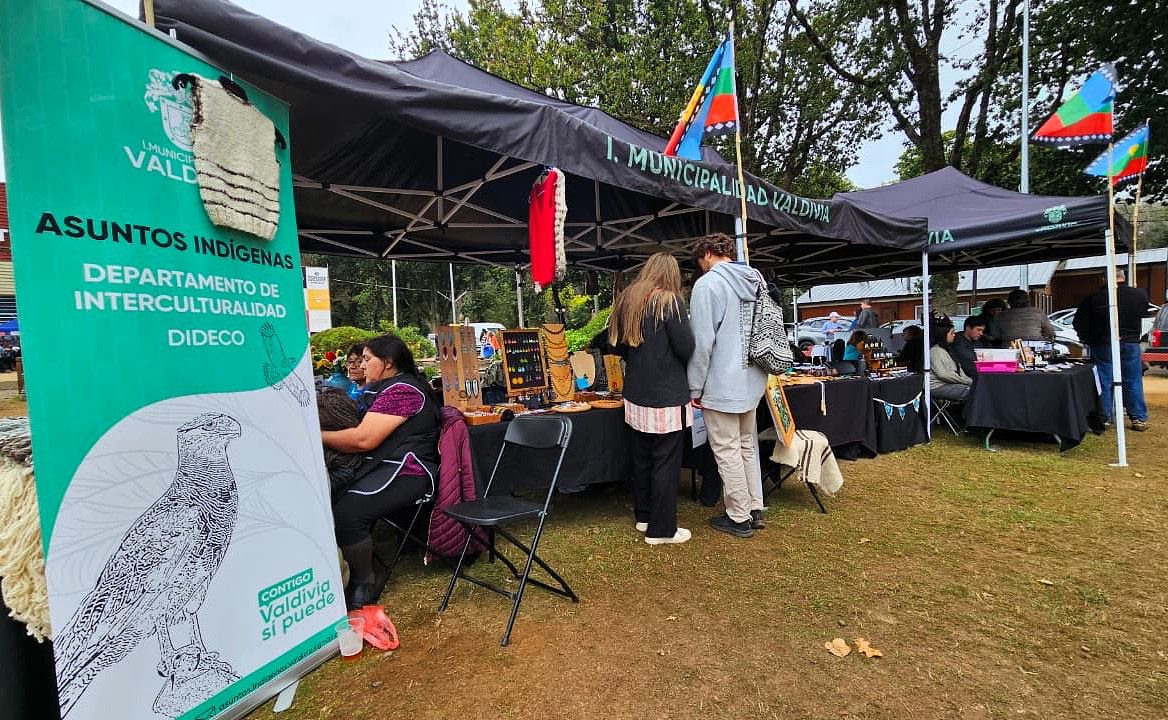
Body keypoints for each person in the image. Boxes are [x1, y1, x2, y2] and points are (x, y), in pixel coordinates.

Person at [323, 334, 441, 609]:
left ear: (387, 362)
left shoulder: (403, 391)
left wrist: (316, 436)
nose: (362, 365)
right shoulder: (385, 388)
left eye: (367, 359)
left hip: (410, 470)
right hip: (386, 464)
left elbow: (363, 440)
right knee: (333, 494)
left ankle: (364, 581)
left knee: (347, 512)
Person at [608, 252, 695, 545]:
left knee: (642, 458)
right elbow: (686, 347)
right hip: (666, 394)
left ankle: (644, 516)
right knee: (665, 462)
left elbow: (616, 345)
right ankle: (661, 530)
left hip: (636, 392)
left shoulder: (628, 299)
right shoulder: (670, 301)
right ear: (671, 274)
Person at [687, 233, 767, 539]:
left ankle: (738, 516)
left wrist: (694, 388)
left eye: (700, 260)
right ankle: (754, 508)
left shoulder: (708, 284)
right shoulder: (756, 279)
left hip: (722, 383)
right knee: (746, 445)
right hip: (752, 380)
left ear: (708, 253)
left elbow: (702, 343)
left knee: (727, 449)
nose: (700, 266)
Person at [1073, 269, 1151, 431]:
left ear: (1104, 279)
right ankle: (1138, 417)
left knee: (1104, 380)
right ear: (1123, 277)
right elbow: (1145, 315)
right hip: (1131, 341)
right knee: (1133, 380)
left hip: (1103, 343)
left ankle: (1105, 416)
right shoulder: (1139, 295)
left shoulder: (1094, 298)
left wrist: (1087, 339)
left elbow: (1079, 322)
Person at [929, 322, 973, 401]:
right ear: (943, 335)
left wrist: (970, 381)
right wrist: (968, 381)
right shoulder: (935, 351)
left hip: (948, 384)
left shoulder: (948, 350)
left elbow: (959, 370)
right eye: (952, 333)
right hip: (937, 386)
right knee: (971, 391)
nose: (954, 335)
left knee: (976, 389)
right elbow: (943, 375)